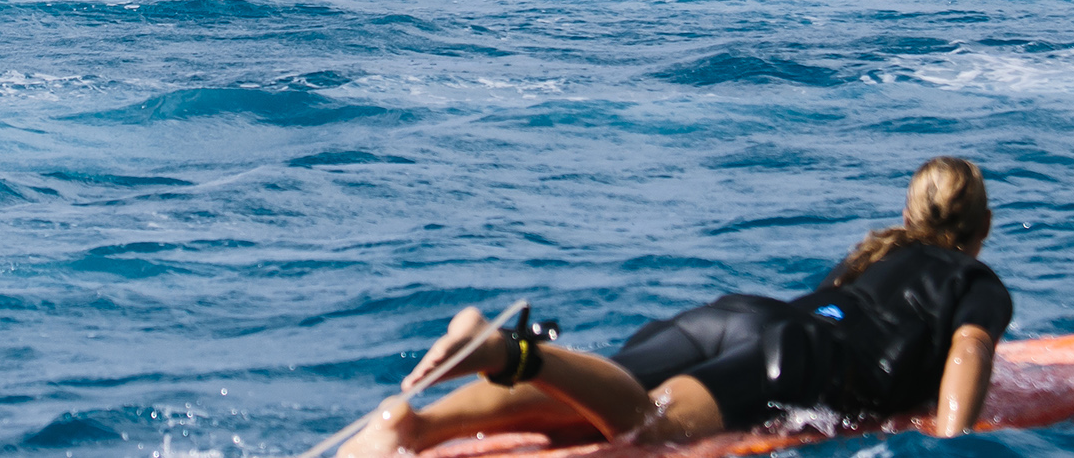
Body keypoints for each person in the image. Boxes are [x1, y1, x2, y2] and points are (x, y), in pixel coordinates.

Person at [339, 157, 1009, 456]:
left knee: (601, 395)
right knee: (652, 428)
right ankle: (508, 351)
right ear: (981, 228)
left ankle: (411, 428)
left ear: (908, 211)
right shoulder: (974, 280)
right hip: (799, 357)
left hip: (741, 314)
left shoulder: (873, 256)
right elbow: (972, 348)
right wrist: (952, 442)